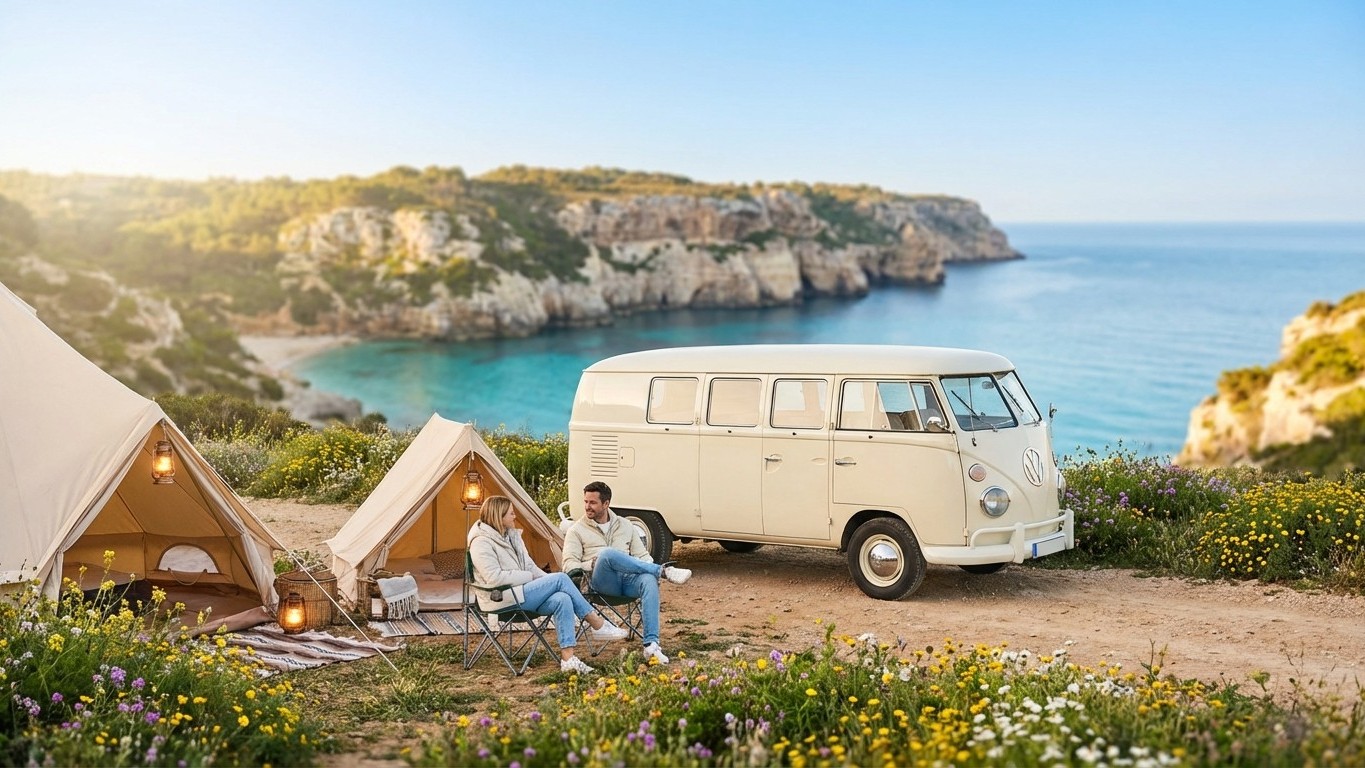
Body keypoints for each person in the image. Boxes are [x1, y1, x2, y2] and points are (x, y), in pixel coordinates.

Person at [467, 495, 628, 675]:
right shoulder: (481, 542)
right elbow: (494, 578)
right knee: (560, 578)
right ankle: (597, 623)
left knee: (562, 598)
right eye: (511, 514)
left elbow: (530, 566)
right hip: (500, 598)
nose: (514, 517)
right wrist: (532, 578)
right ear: (499, 516)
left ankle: (568, 660)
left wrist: (547, 581)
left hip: (521, 593)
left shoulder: (512, 536)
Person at [562, 481, 692, 665]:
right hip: (599, 583)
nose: (587, 507)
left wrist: (649, 568)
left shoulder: (625, 525)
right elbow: (569, 566)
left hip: (626, 581)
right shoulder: (576, 530)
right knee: (606, 554)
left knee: (648, 579)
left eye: (592, 502)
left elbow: (642, 556)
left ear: (606, 504)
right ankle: (663, 571)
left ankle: (651, 645)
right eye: (585, 502)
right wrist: (591, 563)